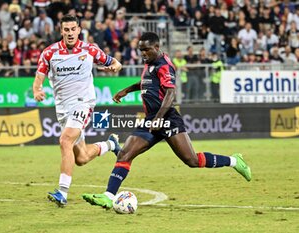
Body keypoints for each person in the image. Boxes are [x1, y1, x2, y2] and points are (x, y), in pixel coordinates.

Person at [82, 32, 252, 209]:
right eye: (141, 50)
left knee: (192, 160)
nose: (143, 54)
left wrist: (158, 119)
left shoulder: (164, 66)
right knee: (125, 154)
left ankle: (234, 161)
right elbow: (147, 82)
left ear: (156, 47)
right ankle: (108, 196)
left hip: (168, 119)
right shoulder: (150, 64)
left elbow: (171, 93)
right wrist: (127, 90)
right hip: (151, 120)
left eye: (146, 50)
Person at [33, 15, 122, 207]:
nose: (70, 33)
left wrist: (114, 67)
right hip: (63, 109)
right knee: (81, 157)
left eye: (73, 29)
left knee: (65, 140)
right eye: (66, 30)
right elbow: (39, 75)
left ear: (79, 30)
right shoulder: (49, 53)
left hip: (83, 103)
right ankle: (111, 145)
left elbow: (114, 62)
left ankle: (62, 192)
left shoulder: (90, 49)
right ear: (61, 31)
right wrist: (37, 90)